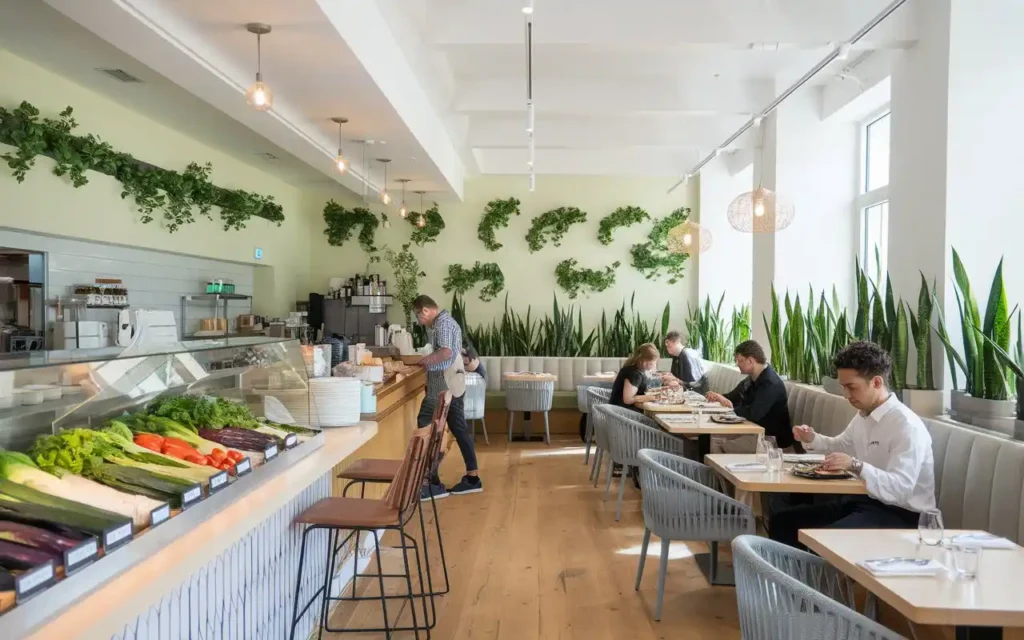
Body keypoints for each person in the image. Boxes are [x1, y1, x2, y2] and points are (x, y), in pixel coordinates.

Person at [769, 341, 936, 548]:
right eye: (843, 387)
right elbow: (841, 445)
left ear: (876, 382)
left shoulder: (906, 425)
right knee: (784, 521)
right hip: (863, 502)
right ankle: (786, 580)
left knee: (823, 540)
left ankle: (818, 580)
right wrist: (812, 438)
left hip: (902, 515)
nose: (846, 395)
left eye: (851, 387)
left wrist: (856, 466)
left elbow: (901, 488)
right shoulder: (864, 415)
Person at [413, 295, 482, 499]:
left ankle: (430, 483)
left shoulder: (442, 324)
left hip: (442, 384)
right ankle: (472, 478)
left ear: (425, 311)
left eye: (418, 316)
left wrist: (423, 362)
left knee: (426, 426)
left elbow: (445, 353)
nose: (419, 321)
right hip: (455, 381)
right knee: (458, 428)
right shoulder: (448, 321)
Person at [705, 340, 792, 453]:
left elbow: (754, 413)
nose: (737, 363)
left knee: (715, 440)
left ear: (751, 361)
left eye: (740, 360)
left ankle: (713, 470)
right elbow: (732, 397)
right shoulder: (751, 379)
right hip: (752, 431)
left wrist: (731, 409)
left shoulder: (770, 383)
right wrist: (719, 397)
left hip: (770, 439)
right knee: (706, 436)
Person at [610, 342, 661, 413]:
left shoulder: (633, 368)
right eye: (652, 363)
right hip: (623, 413)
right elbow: (628, 400)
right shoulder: (634, 374)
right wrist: (651, 397)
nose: (653, 366)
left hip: (616, 411)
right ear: (644, 361)